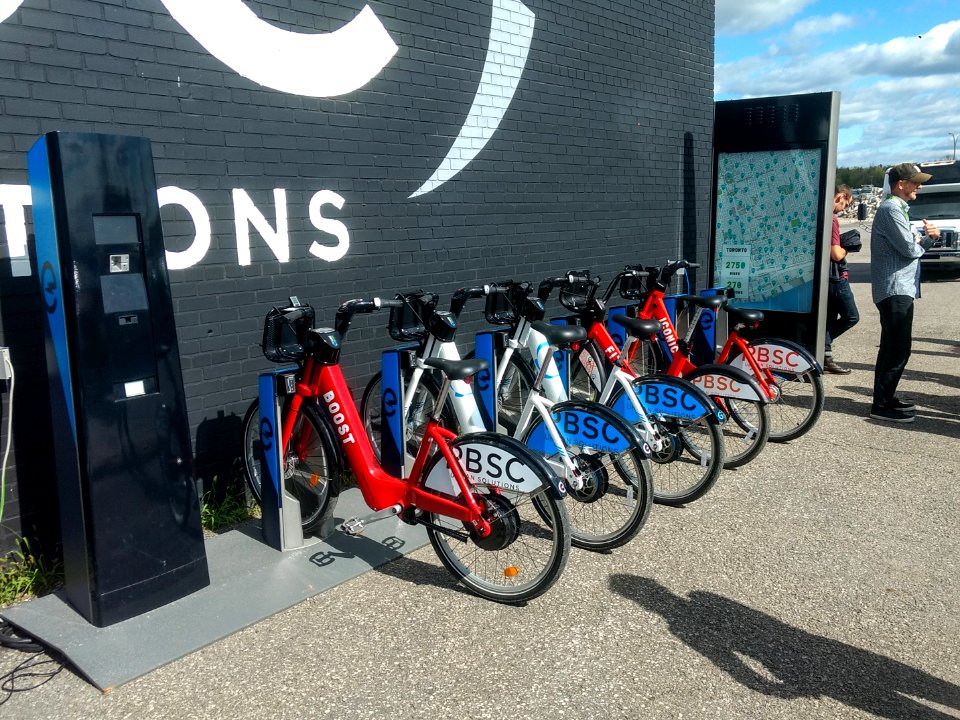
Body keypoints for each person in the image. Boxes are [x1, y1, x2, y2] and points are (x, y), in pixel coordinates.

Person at [869, 163, 940, 423]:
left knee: (893, 347)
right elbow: (909, 249)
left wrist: (921, 239)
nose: (919, 187)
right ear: (901, 184)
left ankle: (885, 398)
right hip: (895, 288)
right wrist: (931, 239)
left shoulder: (896, 208)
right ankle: (881, 404)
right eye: (915, 182)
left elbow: (907, 245)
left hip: (899, 287)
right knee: (897, 348)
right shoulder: (890, 209)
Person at [823, 185, 859, 374]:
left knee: (828, 317)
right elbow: (836, 254)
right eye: (846, 204)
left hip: (824, 277)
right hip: (836, 277)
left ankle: (824, 353)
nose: (844, 209)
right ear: (840, 197)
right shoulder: (832, 218)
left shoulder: (819, 213)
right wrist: (847, 247)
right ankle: (820, 344)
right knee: (851, 316)